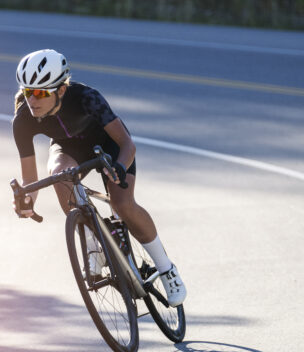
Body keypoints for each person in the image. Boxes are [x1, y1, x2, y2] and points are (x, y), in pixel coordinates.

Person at [12, 49, 186, 307]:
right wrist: (26, 200)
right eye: (28, 92)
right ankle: (94, 241)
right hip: (69, 148)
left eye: (40, 93)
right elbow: (31, 180)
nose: (32, 100)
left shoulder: (87, 98)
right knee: (58, 173)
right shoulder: (23, 120)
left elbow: (127, 143)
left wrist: (119, 167)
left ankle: (166, 268)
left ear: (60, 90)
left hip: (109, 145)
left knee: (122, 204)